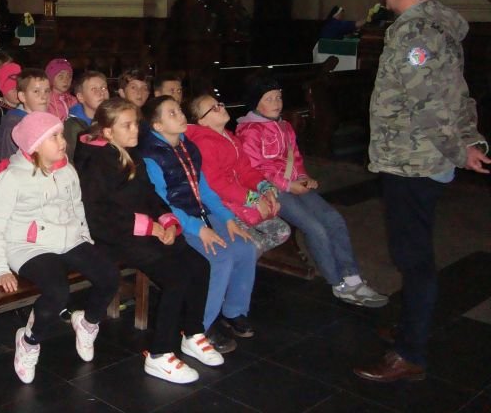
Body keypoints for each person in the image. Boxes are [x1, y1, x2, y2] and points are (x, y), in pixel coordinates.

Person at [354, 0, 490, 383]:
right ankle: (411, 324)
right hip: (419, 158)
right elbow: (458, 94)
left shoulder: (416, 34)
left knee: (412, 257)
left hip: (412, 161)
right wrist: (469, 140)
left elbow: (429, 105)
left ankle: (409, 353)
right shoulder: (439, 28)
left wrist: (459, 149)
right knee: (413, 250)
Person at [74, 98, 224, 384]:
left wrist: (167, 221)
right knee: (176, 278)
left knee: (200, 266)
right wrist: (148, 227)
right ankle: (159, 354)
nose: (136, 130)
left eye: (136, 124)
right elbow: (97, 216)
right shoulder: (96, 163)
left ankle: (193, 334)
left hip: (143, 230)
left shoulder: (130, 152)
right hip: (114, 236)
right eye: (127, 125)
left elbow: (149, 194)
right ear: (108, 132)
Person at [0, 111, 120, 384]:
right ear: (34, 145)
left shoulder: (67, 170)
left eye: (60, 135)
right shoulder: (12, 178)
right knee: (57, 291)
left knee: (109, 275)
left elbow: (76, 207)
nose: (63, 141)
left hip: (68, 238)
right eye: (53, 137)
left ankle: (87, 322)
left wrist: (85, 239)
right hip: (27, 246)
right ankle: (29, 341)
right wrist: (0, 269)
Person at [236, 75, 388, 308]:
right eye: (269, 99)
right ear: (256, 103)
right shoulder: (249, 131)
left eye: (278, 97)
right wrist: (288, 185)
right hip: (270, 190)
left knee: (333, 219)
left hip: (293, 184)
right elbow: (255, 169)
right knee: (315, 228)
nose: (276, 103)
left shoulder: (285, 126)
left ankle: (353, 278)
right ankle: (338, 283)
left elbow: (295, 158)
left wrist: (303, 177)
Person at [139, 96, 258, 350]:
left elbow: (204, 189)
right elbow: (161, 204)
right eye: (172, 113)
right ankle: (199, 328)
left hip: (199, 214)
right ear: (157, 126)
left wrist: (227, 218)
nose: (181, 115)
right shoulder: (151, 156)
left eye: (179, 110)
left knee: (245, 247)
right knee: (220, 257)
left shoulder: (187, 147)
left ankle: (234, 310)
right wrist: (197, 228)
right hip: (175, 221)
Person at [186, 95, 291, 256]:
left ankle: (246, 260)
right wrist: (254, 200)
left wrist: (265, 189)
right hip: (224, 206)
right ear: (202, 121)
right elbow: (217, 184)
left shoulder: (230, 138)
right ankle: (244, 262)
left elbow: (246, 170)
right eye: (214, 108)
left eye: (220, 104)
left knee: (282, 231)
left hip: (243, 201)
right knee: (253, 244)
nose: (221, 108)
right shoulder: (203, 143)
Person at [0, 68, 51, 162]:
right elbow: (9, 162)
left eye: (47, 91)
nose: (44, 97)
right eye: (36, 91)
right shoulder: (13, 127)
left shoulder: (47, 120)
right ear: (22, 96)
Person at [64, 71, 109, 163]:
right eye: (94, 89)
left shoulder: (114, 118)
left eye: (104, 88)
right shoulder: (73, 126)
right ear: (81, 97)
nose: (101, 93)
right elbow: (73, 160)